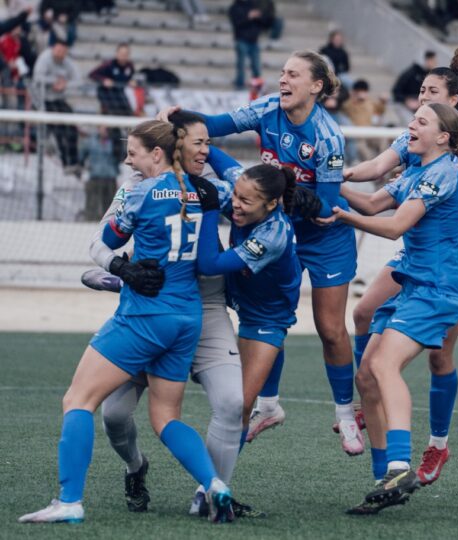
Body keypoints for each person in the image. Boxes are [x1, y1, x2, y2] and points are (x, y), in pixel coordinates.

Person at [18, 119, 235, 524]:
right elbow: (243, 194)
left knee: (78, 400)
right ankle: (215, 484)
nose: (127, 160)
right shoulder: (208, 189)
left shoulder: (139, 193)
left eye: (133, 152)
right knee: (166, 417)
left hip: (145, 314)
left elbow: (104, 242)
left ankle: (69, 501)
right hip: (188, 316)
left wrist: (121, 267)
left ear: (157, 153)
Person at [159, 50, 362, 456]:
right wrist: (181, 117)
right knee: (268, 313)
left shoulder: (328, 137)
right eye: (282, 72)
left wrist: (285, 196)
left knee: (330, 327)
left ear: (316, 86)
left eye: (293, 74)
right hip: (276, 224)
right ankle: (268, 405)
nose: (283, 79)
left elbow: (326, 205)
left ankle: (345, 414)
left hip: (323, 236)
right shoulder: (268, 108)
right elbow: (214, 126)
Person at [344, 45, 458, 488]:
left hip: (452, 248)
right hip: (416, 242)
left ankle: (437, 444)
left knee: (438, 355)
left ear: (453, 102)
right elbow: (376, 170)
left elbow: (449, 183)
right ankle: (369, 398)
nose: (421, 98)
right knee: (363, 312)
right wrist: (332, 175)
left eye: (431, 93)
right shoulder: (417, 137)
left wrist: (409, 186)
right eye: (421, 91)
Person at [323, 103, 458, 514]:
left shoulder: (443, 173)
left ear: (443, 137)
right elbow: (372, 205)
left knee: (384, 365)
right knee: (367, 376)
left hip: (436, 291)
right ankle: (385, 479)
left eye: (422, 121)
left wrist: (340, 216)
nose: (411, 124)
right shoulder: (416, 172)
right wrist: (323, 183)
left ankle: (401, 466)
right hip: (412, 287)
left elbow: (394, 226)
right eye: (413, 118)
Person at [195, 159, 302, 497]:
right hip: (235, 295)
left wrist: (210, 208)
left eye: (245, 201)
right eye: (235, 197)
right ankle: (269, 405)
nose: (236, 204)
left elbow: (209, 264)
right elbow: (222, 163)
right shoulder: (245, 188)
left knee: (239, 405)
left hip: (265, 318)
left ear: (271, 204)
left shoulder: (272, 234)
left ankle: (211, 487)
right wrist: (195, 142)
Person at [31, 39, 80, 174]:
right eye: (58, 50)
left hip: (59, 100)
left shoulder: (67, 62)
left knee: (72, 129)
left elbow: (78, 80)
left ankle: (74, 162)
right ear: (53, 49)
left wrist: (65, 84)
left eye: (63, 52)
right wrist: (54, 82)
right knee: (59, 131)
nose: (60, 54)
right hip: (44, 100)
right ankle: (65, 163)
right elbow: (37, 78)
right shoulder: (44, 59)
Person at [79, 126, 120, 221]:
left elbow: (119, 157)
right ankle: (89, 223)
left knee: (109, 207)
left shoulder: (114, 141)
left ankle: (108, 225)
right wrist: (84, 171)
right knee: (92, 206)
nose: (105, 129)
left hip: (110, 178)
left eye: (107, 127)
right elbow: (81, 157)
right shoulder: (90, 141)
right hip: (95, 177)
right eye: (103, 127)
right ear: (98, 128)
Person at [228, 0, 265, 91]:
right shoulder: (234, 8)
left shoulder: (254, 5)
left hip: (254, 40)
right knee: (241, 64)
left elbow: (263, 22)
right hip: (241, 39)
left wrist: (259, 17)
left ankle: (257, 85)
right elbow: (236, 23)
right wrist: (248, 16)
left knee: (256, 65)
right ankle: (239, 84)